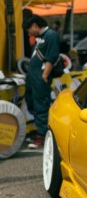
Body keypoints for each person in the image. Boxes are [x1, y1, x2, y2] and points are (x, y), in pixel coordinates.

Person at [22, 15, 61, 149]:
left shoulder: (51, 35)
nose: (29, 33)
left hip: (40, 75)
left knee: (41, 104)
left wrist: (44, 75)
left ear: (35, 25)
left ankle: (43, 135)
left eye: (29, 29)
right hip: (33, 75)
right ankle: (41, 131)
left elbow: (52, 56)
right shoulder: (41, 37)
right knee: (31, 100)